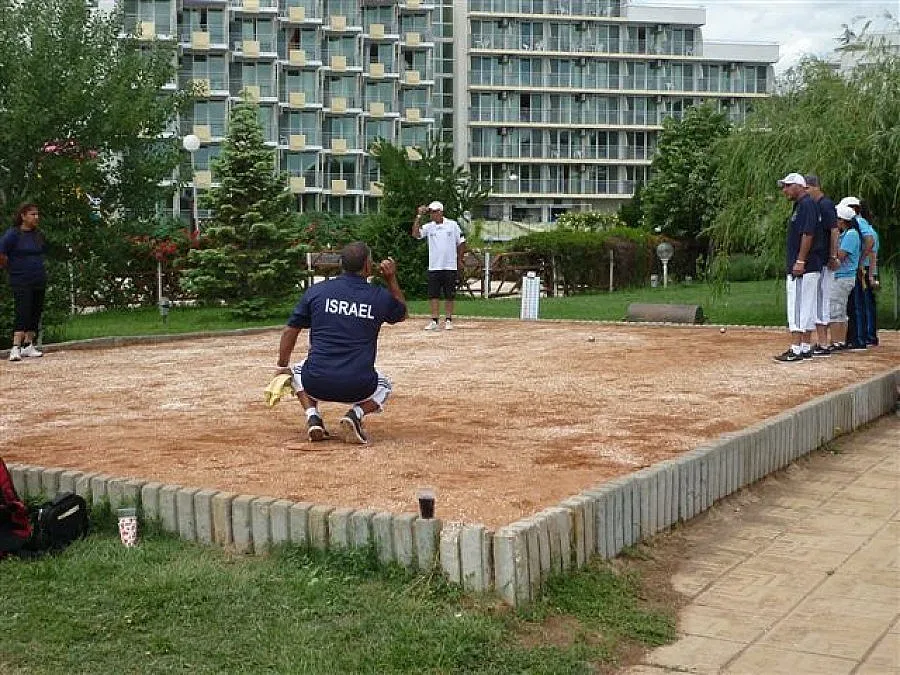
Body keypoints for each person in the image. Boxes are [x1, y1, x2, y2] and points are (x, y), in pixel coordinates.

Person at [275, 242, 407, 444]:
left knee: (293, 371)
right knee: (385, 384)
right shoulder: (378, 296)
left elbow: (290, 330)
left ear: (341, 264)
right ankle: (355, 414)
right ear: (367, 265)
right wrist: (391, 279)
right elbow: (402, 314)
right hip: (358, 386)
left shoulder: (317, 291)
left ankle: (313, 416)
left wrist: (281, 366)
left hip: (317, 383)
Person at [774, 173, 827, 363]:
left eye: (788, 186)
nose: (784, 190)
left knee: (797, 305)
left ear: (799, 186)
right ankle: (804, 346)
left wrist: (800, 260)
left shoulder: (806, 205)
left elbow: (808, 233)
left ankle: (796, 348)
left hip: (805, 265)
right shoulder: (804, 205)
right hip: (809, 264)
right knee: (807, 305)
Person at [0, 203, 47, 362]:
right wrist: (9, 268)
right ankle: (15, 347)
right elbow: (2, 253)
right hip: (21, 280)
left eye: (37, 214)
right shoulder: (13, 234)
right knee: (23, 311)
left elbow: (43, 251)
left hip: (38, 278)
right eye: (33, 214)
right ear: (23, 216)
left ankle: (29, 344)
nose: (36, 217)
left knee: (35, 311)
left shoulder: (38, 235)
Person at [411, 200, 466, 331]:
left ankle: (448, 319)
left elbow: (461, 242)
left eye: (435, 212)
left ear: (441, 212)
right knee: (433, 295)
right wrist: (419, 216)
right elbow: (415, 234)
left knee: (449, 295)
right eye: (431, 212)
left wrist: (459, 259)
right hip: (434, 266)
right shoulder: (429, 227)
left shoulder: (452, 225)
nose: (433, 214)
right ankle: (434, 320)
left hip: (449, 265)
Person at [804, 175, 839, 356]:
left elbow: (834, 230)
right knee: (817, 298)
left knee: (821, 298)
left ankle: (824, 343)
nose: (806, 193)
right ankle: (819, 341)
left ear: (815, 187)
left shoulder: (825, 205)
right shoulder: (814, 205)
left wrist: (832, 255)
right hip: (818, 260)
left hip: (824, 259)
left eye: (807, 189)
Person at [838, 197, 879, 349]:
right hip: (864, 266)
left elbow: (870, 241)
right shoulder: (864, 223)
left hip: (861, 267)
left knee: (858, 303)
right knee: (864, 303)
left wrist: (860, 261)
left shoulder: (858, 223)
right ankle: (867, 335)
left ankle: (860, 337)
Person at [826, 205, 862, 352]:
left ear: (842, 220)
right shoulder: (848, 234)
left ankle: (836, 341)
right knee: (840, 310)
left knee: (835, 309)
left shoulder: (851, 235)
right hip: (844, 277)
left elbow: (840, 255)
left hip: (842, 277)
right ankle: (840, 340)